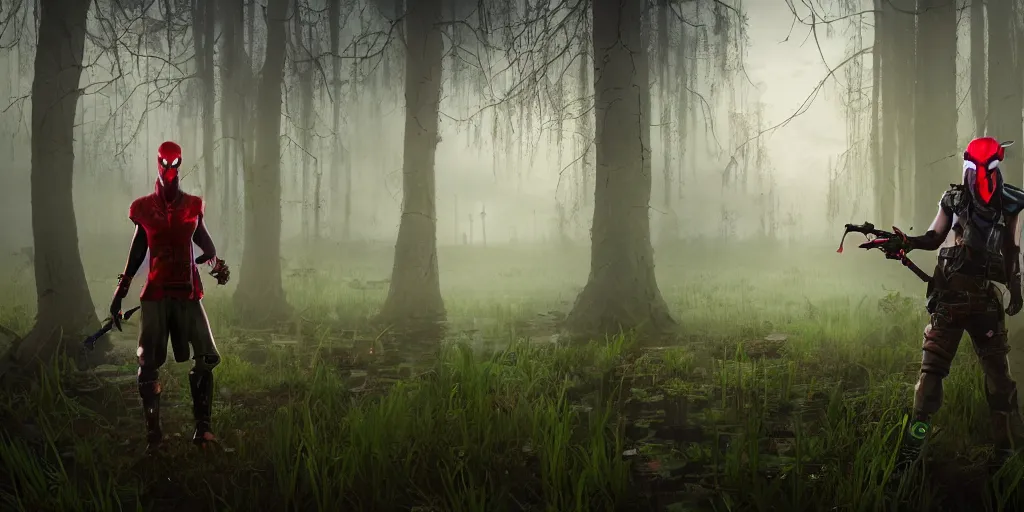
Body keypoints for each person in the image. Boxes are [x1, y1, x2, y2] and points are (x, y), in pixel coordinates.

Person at [869, 137, 1024, 471]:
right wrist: (906, 242)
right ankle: (916, 447)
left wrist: (1015, 285)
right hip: (954, 296)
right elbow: (935, 237)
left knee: (995, 377)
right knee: (934, 373)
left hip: (979, 300)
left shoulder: (1010, 201)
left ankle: (1007, 451)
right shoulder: (956, 199)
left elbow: (1011, 248)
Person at [108, 141, 231, 452]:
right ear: (158, 164)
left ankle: (203, 429)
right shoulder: (145, 208)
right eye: (165, 164)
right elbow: (137, 253)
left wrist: (216, 265)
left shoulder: (192, 206)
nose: (170, 171)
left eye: (175, 165)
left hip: (189, 291)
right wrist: (120, 291)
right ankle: (154, 437)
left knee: (205, 358)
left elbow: (206, 244)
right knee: (148, 365)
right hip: (156, 292)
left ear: (180, 166)